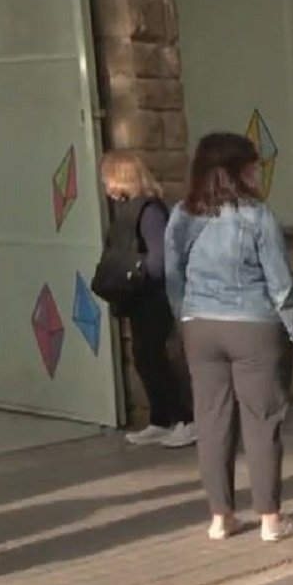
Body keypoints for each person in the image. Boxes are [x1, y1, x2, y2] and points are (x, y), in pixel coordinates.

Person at [165, 131, 293, 543]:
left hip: (199, 323)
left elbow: (173, 275)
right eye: (253, 165)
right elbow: (280, 283)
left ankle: (220, 516)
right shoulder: (258, 216)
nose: (258, 172)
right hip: (253, 324)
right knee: (262, 421)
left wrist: (184, 315)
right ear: (236, 171)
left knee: (211, 420)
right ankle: (269, 517)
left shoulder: (182, 215)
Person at [101, 151, 194, 449]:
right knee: (143, 357)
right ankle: (160, 419)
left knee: (157, 358)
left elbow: (160, 257)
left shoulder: (150, 211)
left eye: (108, 178)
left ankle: (184, 420)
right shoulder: (128, 209)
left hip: (153, 296)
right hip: (138, 299)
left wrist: (136, 277)